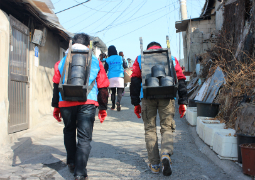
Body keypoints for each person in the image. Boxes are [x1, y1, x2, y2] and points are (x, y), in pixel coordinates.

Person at [51, 33, 109, 180]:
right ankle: (80, 173)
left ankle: (71, 162)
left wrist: (56, 106)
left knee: (69, 131)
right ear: (88, 45)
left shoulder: (61, 61)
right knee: (84, 138)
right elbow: (103, 86)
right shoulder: (95, 61)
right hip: (87, 102)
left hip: (65, 102)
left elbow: (56, 86)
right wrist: (102, 108)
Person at [130, 41, 187, 176]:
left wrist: (136, 103)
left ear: (148, 49)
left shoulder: (140, 58)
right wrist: (182, 101)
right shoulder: (170, 57)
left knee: (150, 129)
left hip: (148, 97)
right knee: (167, 127)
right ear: (160, 48)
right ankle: (166, 154)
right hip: (167, 96)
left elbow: (135, 80)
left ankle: (155, 164)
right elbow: (180, 78)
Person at [104, 46, 128, 111]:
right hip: (120, 76)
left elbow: (105, 70)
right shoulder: (120, 58)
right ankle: (118, 102)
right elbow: (125, 66)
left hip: (111, 76)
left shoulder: (107, 59)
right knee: (120, 91)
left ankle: (113, 106)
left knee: (113, 92)